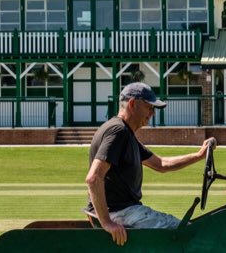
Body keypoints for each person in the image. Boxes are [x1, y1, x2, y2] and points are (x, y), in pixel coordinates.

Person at [85, 82, 215, 246]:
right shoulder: (118, 132)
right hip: (120, 212)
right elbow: (94, 178)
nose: (152, 113)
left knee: (183, 230)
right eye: (149, 107)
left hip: (123, 211)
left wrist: (199, 155)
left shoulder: (126, 134)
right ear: (132, 104)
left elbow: (161, 164)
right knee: (186, 233)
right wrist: (107, 223)